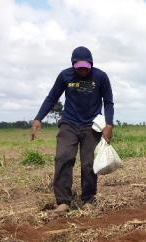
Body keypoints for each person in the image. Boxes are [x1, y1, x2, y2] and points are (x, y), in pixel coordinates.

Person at [30, 46, 114, 214]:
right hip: (69, 123)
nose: (83, 70)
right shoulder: (65, 75)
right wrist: (39, 118)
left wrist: (109, 124)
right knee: (63, 158)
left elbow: (108, 102)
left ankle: (88, 199)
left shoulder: (100, 76)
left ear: (91, 64)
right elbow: (52, 97)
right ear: (73, 64)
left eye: (86, 67)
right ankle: (63, 202)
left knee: (88, 163)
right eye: (79, 67)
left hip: (91, 126)